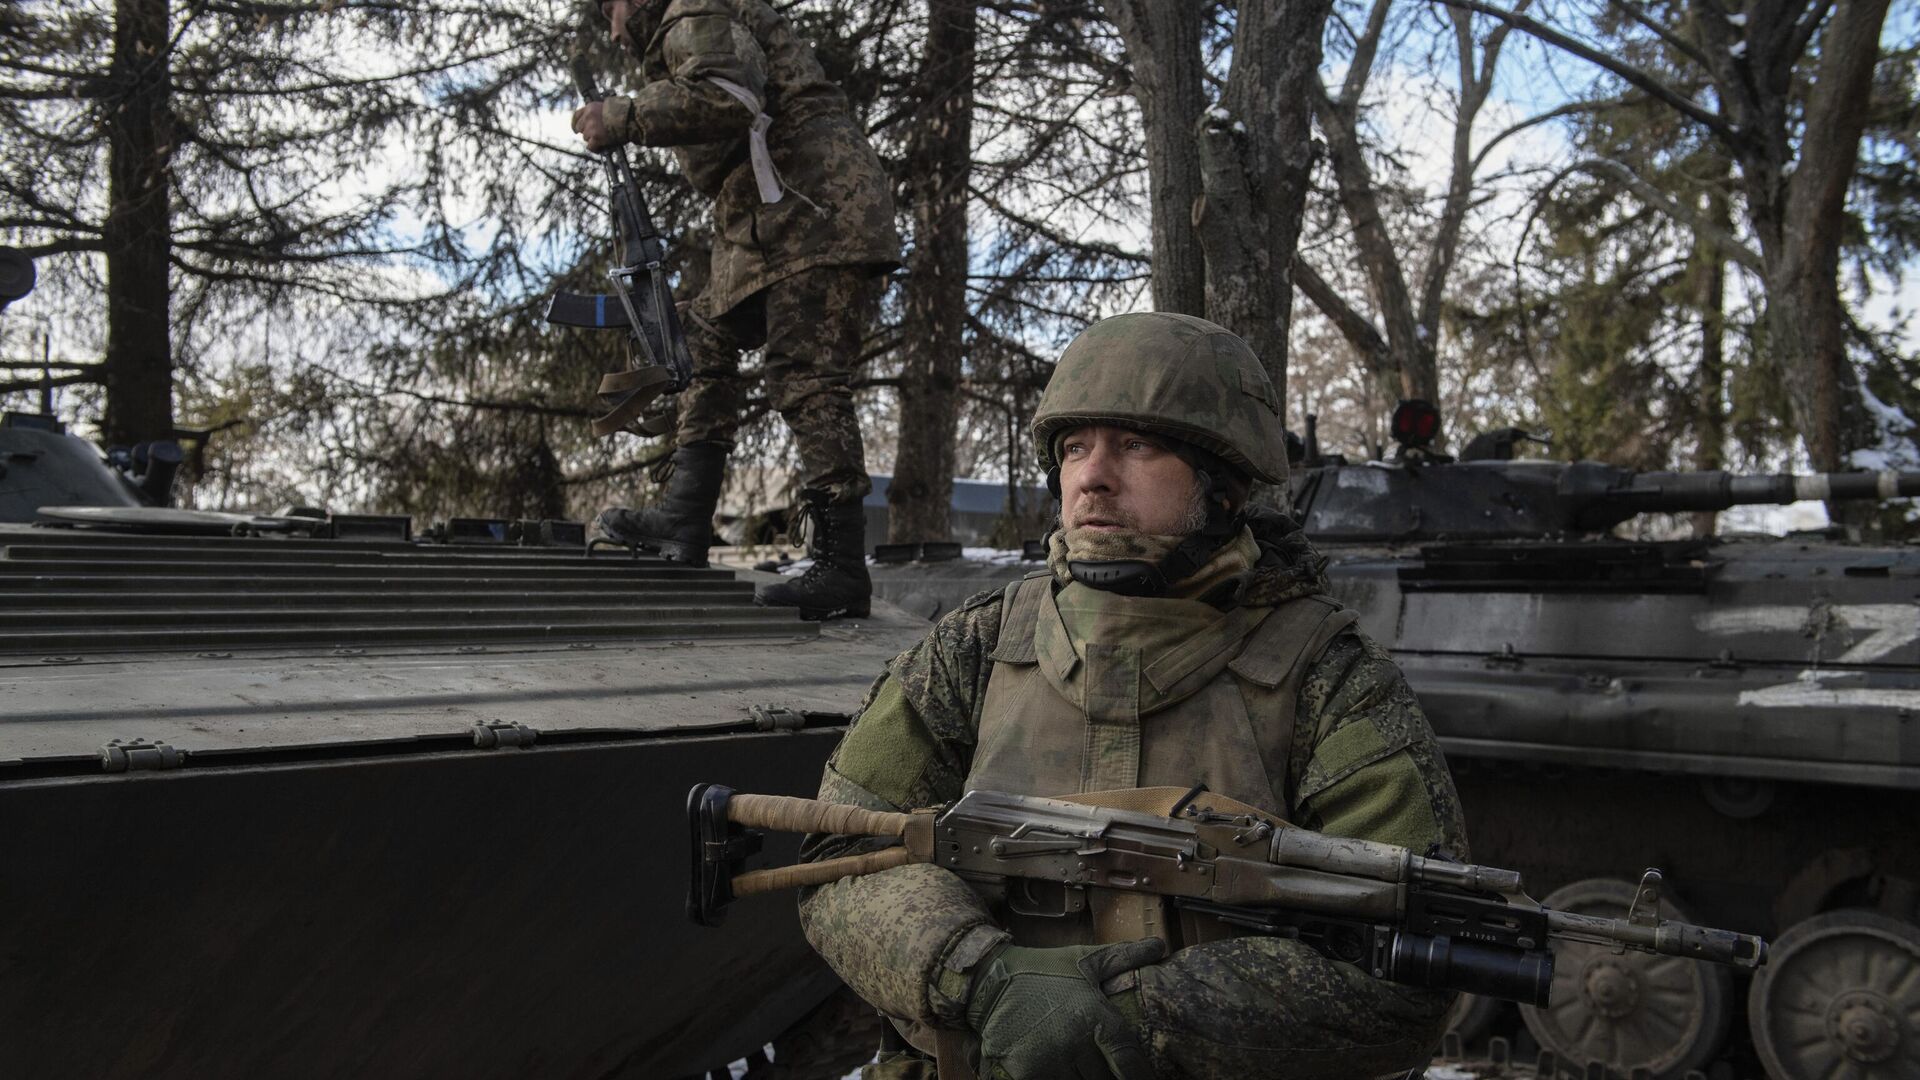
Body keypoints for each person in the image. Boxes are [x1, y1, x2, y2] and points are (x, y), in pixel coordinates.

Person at [795, 312, 1468, 1079]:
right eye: (1075, 447)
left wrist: (1130, 1015)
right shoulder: (975, 649)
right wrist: (981, 978)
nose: (1092, 476)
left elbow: (1418, 963)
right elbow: (842, 853)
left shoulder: (1328, 679)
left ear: (1223, 484)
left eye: (1135, 445)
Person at [573, 0, 899, 620]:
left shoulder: (690, 8)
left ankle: (841, 563)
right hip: (770, 216)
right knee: (701, 337)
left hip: (812, 206)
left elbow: (728, 96)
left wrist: (622, 115)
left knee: (804, 372)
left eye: (610, 9)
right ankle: (683, 518)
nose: (613, 29)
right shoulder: (681, 26)